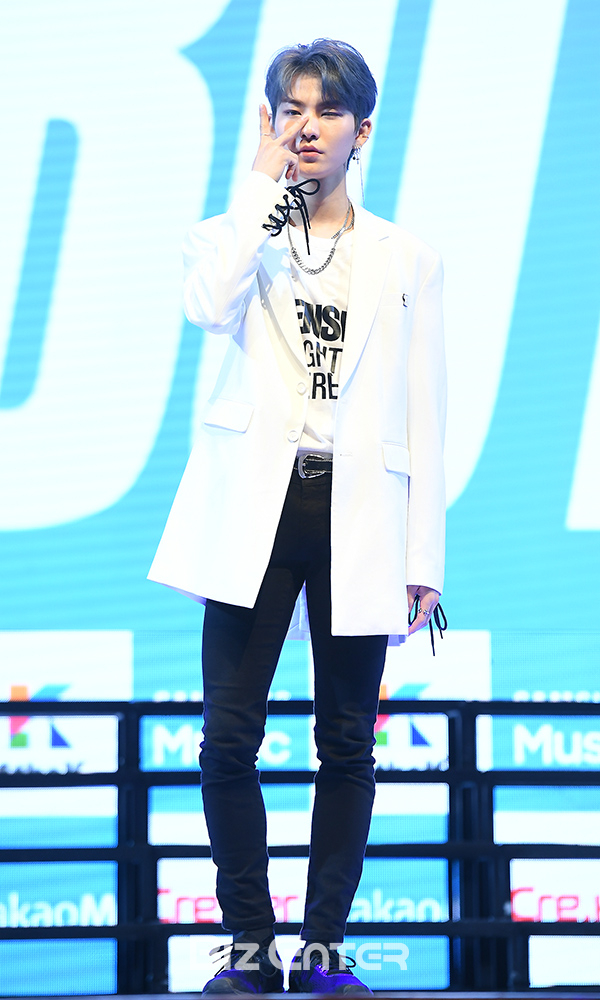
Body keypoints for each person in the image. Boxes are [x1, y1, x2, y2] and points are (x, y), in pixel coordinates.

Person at [149, 38, 446, 996]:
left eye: (327, 111)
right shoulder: (232, 233)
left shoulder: (407, 256)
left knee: (347, 742)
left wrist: (425, 555)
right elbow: (209, 306)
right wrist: (259, 190)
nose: (307, 127)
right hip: (255, 509)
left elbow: (424, 409)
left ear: (363, 129)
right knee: (228, 737)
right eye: (291, 110)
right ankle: (249, 948)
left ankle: (321, 950)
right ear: (270, 122)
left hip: (358, 512)